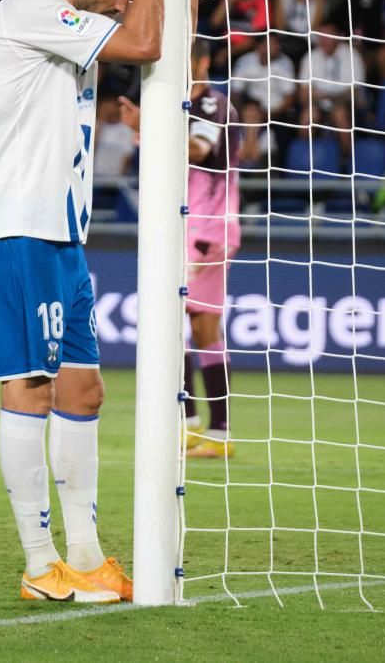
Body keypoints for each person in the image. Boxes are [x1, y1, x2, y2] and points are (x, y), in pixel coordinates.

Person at [0, 0, 199, 603]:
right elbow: (148, 38)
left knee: (84, 390)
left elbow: (146, 45)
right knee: (30, 389)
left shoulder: (72, 29)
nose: (127, 2)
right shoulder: (28, 9)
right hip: (14, 228)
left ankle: (90, 557)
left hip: (59, 234)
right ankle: (40, 564)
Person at [120, 39, 240, 459]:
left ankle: (210, 429)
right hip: (187, 228)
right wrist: (141, 126)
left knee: (179, 323)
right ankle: (196, 427)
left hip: (205, 230)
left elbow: (199, 150)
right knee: (194, 328)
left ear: (203, 62)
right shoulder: (176, 107)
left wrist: (150, 123)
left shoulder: (210, 105)